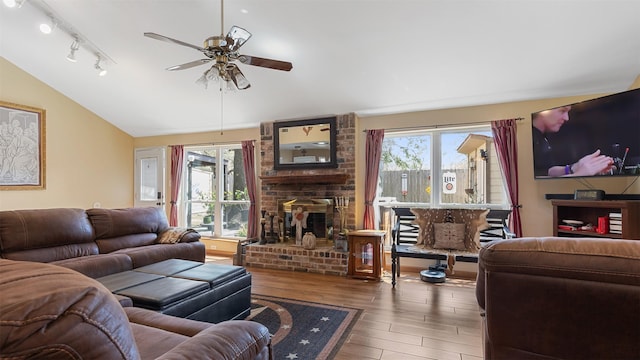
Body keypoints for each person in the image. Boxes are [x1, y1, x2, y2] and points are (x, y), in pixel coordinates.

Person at [532, 105, 615, 177]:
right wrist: (581, 173)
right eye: (562, 111)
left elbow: (545, 172)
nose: (566, 118)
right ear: (544, 111)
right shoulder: (528, 140)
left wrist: (574, 167)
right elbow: (531, 182)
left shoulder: (541, 137)